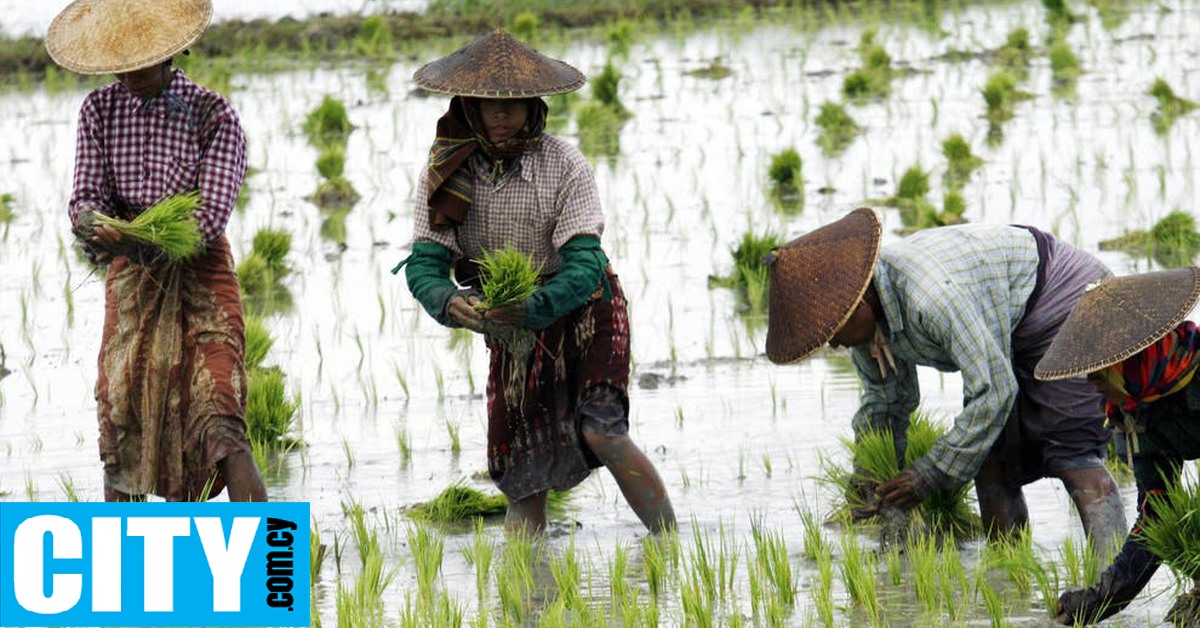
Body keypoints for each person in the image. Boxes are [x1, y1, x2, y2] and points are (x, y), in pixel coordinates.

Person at [397, 30, 675, 535]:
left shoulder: (563, 164)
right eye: (488, 105)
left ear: (534, 105)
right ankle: (527, 593)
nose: (501, 116)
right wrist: (447, 300)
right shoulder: (444, 172)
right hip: (509, 321)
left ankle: (673, 548)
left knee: (602, 430)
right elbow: (424, 262)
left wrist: (535, 306)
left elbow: (584, 261)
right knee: (520, 466)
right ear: (469, 106)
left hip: (585, 305)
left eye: (514, 105)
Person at [764, 208, 1125, 547]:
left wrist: (930, 473)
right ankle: (1009, 576)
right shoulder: (868, 326)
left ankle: (1110, 584)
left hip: (1068, 298)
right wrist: (868, 481)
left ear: (858, 303)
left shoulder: (931, 296)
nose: (834, 343)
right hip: (1010, 321)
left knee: (1069, 446)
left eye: (833, 331)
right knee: (988, 456)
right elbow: (887, 401)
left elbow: (994, 390)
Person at [49, 0, 265, 501]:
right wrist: (91, 225)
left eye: (143, 58)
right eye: (121, 59)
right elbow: (85, 197)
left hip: (200, 277)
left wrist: (136, 238)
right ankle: (125, 565)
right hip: (131, 282)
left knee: (221, 408)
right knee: (122, 412)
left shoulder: (214, 115)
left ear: (173, 51)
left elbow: (206, 221)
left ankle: (269, 560)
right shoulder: (99, 111)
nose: (131, 72)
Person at [1034, 267, 1200, 626]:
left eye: (1099, 373)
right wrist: (1096, 603)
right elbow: (1157, 515)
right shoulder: (1132, 411)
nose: (1093, 385)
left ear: (1129, 361)